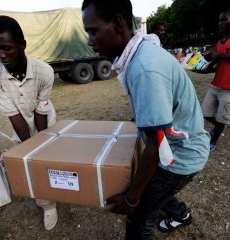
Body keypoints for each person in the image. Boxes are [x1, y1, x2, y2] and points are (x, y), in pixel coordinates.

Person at [81, 0, 210, 239]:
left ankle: (165, 211)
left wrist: (132, 200)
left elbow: (153, 147)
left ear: (118, 24)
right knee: (157, 191)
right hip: (180, 146)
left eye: (93, 31)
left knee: (140, 216)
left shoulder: (145, 68)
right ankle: (181, 214)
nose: (90, 41)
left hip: (180, 155)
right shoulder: (142, 52)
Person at [0, 16, 58, 230]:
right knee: (32, 164)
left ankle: (57, 190)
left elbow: (41, 112)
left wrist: (41, 144)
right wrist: (30, 150)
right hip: (19, 127)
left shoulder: (44, 72)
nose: (0, 55)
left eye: (6, 48)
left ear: (22, 45)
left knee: (48, 160)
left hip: (45, 121)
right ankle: (47, 205)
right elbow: (14, 117)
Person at [192, 8, 230, 152]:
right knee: (204, 113)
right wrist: (197, 68)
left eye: (224, 19)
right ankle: (217, 127)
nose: (220, 23)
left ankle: (213, 140)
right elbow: (213, 66)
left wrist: (218, 56)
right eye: (219, 20)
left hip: (228, 89)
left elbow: (219, 57)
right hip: (215, 85)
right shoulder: (220, 42)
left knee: (222, 119)